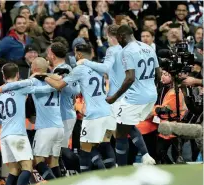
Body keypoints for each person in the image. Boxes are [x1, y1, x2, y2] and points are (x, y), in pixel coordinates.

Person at [77, 24, 157, 165]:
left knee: (111, 136)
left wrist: (86, 62)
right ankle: (141, 156)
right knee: (125, 129)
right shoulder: (135, 48)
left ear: (110, 36)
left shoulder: (112, 50)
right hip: (133, 94)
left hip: (116, 96)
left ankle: (123, 166)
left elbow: (105, 68)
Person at [45, 43, 116, 172]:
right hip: (108, 111)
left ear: (79, 55)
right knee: (105, 145)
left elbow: (58, 86)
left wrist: (44, 76)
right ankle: (112, 176)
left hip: (93, 114)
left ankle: (86, 179)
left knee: (84, 149)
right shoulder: (100, 68)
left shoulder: (79, 69)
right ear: (92, 53)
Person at [0, 63, 57, 185]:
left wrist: (6, 120)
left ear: (4, 76)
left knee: (14, 170)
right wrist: (58, 86)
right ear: (18, 74)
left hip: (4, 136)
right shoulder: (20, 88)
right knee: (27, 167)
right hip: (17, 135)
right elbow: (43, 88)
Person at [104, 24, 160, 166]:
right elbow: (158, 74)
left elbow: (130, 78)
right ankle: (145, 155)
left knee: (121, 133)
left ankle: (122, 169)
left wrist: (114, 97)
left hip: (133, 97)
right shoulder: (148, 47)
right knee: (127, 126)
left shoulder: (125, 51)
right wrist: (152, 90)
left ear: (121, 36)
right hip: (151, 95)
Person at [46, 42, 80, 175]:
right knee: (57, 150)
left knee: (59, 149)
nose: (47, 55)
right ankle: (62, 174)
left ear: (52, 55)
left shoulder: (60, 70)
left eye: (49, 53)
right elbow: (77, 89)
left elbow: (70, 89)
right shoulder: (69, 68)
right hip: (67, 113)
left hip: (63, 115)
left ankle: (84, 167)